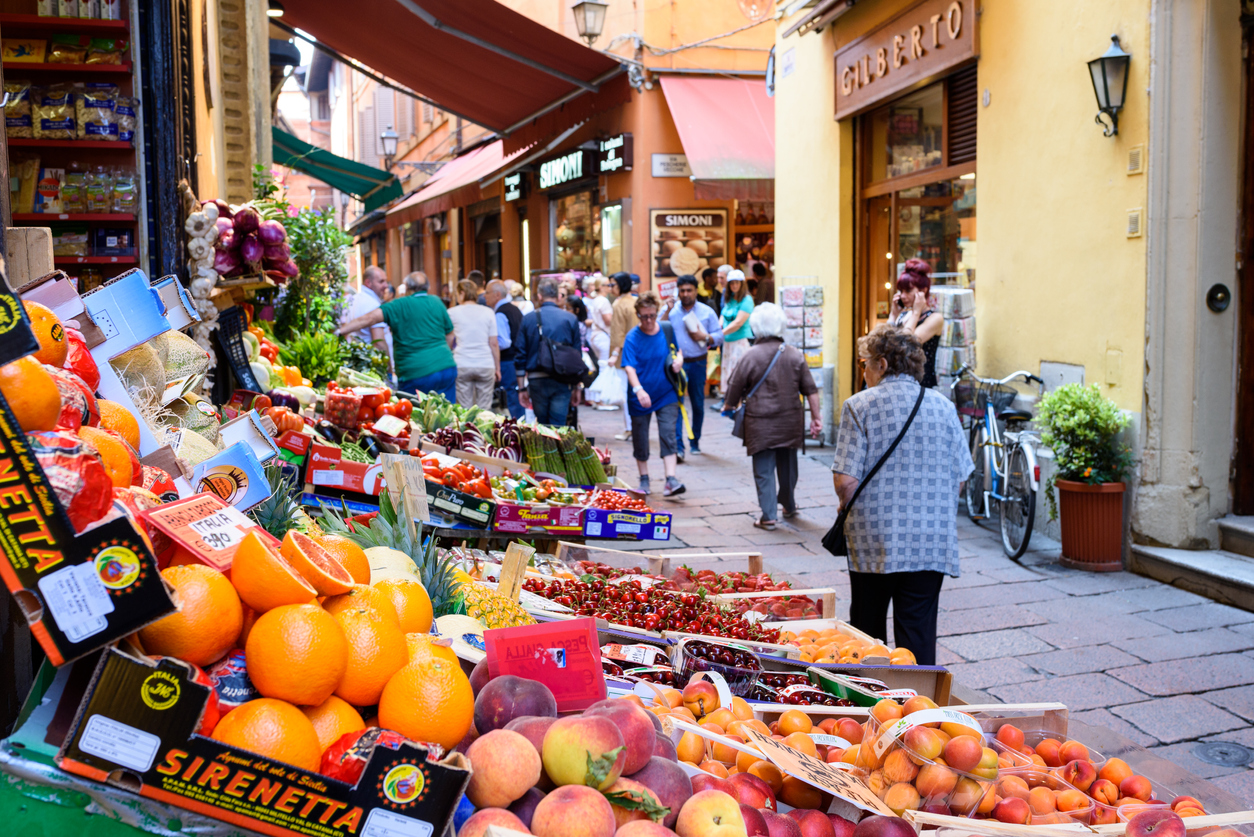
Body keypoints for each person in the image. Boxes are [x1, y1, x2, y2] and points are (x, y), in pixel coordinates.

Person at [831, 324, 972, 665]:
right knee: (918, 633)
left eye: (865, 363)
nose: (863, 370)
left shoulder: (859, 406)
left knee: (868, 633)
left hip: (873, 537)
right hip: (930, 540)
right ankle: (920, 705)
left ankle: (872, 703)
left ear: (881, 363)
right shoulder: (943, 407)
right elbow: (961, 478)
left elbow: (845, 480)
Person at [724, 304, 821, 530]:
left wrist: (729, 404)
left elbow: (733, 389)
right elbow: (811, 390)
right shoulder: (795, 354)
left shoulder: (749, 355)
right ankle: (788, 504)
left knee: (764, 470)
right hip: (790, 421)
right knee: (788, 465)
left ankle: (768, 516)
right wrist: (816, 418)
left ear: (755, 327)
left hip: (760, 423)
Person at [337, 272, 456, 401]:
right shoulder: (437, 302)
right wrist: (442, 356)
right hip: (446, 368)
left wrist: (341, 331)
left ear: (407, 288)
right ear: (427, 287)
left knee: (416, 416)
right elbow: (450, 335)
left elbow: (369, 318)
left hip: (415, 372)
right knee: (447, 414)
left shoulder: (399, 305)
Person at [622, 292, 685, 497]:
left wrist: (679, 362)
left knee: (668, 432)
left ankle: (671, 479)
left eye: (651, 315)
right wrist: (638, 389)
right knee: (640, 436)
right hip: (641, 394)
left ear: (657, 313)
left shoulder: (666, 329)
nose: (648, 321)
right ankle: (644, 478)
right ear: (638, 315)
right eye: (643, 316)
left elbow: (677, 350)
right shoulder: (633, 336)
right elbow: (629, 367)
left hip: (666, 391)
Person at [660, 274, 723, 458]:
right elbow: (657, 328)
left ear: (696, 291)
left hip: (698, 362)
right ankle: (679, 447)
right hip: (676, 364)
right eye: (682, 290)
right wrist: (666, 311)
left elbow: (719, 336)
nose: (686, 294)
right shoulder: (670, 310)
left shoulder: (706, 311)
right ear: (677, 291)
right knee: (677, 404)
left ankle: (695, 441)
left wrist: (705, 337)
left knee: (697, 403)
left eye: (689, 290)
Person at [515, 277, 581, 426]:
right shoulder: (570, 319)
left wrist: (521, 388)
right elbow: (577, 355)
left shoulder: (528, 319)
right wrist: (577, 386)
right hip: (563, 379)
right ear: (558, 296)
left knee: (542, 425)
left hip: (536, 378)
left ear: (539, 296)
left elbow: (520, 354)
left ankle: (544, 448)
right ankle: (556, 448)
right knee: (558, 424)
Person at [891, 258, 944, 388]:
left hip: (921, 383)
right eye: (901, 291)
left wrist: (916, 312)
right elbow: (886, 343)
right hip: (899, 380)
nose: (903, 296)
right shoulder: (905, 314)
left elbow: (907, 343)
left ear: (923, 291)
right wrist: (893, 315)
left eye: (908, 291)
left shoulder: (935, 318)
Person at [448, 278, 500, 409]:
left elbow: (449, 339)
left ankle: (467, 429)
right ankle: (483, 429)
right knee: (484, 410)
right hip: (485, 363)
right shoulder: (488, 312)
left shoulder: (452, 313)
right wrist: (497, 368)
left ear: (461, 293)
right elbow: (493, 343)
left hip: (462, 362)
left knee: (465, 410)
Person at [485, 279, 524, 418]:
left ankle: (514, 429)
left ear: (497, 295)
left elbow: (503, 342)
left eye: (487, 293)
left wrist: (487, 345)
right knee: (514, 396)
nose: (485, 296)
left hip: (507, 361)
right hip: (516, 359)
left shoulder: (501, 313)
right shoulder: (514, 309)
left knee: (509, 397)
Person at [607, 272, 639, 440]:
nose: (610, 288)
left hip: (623, 355)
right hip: (637, 352)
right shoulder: (635, 301)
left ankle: (629, 428)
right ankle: (635, 427)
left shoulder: (619, 305)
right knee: (636, 390)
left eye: (613, 285)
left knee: (626, 394)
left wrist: (614, 354)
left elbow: (619, 332)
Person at [343, 266, 393, 366]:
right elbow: (379, 343)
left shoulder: (354, 300)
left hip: (358, 362)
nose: (386, 286)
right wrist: (389, 370)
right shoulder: (372, 305)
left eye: (386, 281)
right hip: (372, 365)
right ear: (368, 283)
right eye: (381, 281)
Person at [720, 269, 755, 390]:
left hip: (740, 342)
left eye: (737, 283)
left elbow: (738, 322)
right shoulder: (729, 299)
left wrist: (719, 334)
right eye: (732, 283)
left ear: (742, 284)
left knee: (738, 376)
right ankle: (730, 403)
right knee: (728, 374)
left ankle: (739, 406)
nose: (734, 285)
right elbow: (723, 317)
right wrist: (716, 330)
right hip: (728, 343)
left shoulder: (747, 300)